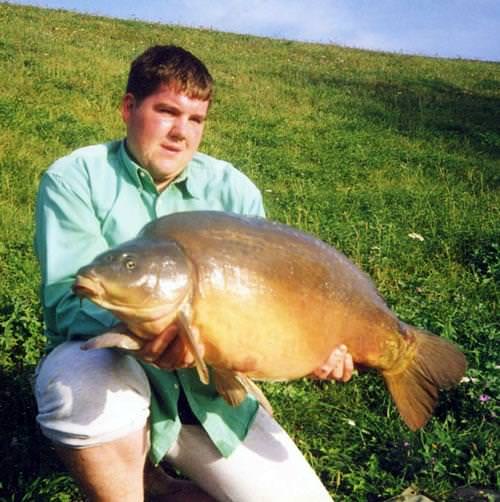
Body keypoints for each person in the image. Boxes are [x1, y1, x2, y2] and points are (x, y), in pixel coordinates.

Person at [34, 45, 354, 502]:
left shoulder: (234, 191)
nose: (180, 133)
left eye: (195, 119)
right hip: (110, 364)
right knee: (78, 384)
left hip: (209, 390)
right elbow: (68, 301)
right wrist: (150, 332)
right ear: (129, 108)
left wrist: (313, 346)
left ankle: (163, 482)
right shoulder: (75, 178)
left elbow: (265, 311)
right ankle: (133, 481)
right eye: (166, 111)